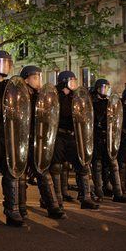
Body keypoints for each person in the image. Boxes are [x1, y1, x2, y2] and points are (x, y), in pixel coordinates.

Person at [0, 50, 27, 227]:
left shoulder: (12, 85)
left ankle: (12, 211)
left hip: (8, 136)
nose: (6, 66)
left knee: (11, 172)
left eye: (9, 63)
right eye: (3, 62)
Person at [21, 65, 66, 218]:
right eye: (35, 77)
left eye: (39, 77)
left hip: (36, 140)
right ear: (26, 80)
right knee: (20, 176)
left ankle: (52, 206)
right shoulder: (21, 96)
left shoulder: (38, 96)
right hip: (21, 141)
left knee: (43, 172)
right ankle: (19, 208)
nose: (38, 80)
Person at [50, 71, 99, 209]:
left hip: (72, 135)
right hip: (58, 135)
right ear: (64, 82)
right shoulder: (55, 97)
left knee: (82, 164)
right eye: (72, 81)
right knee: (56, 167)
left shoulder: (76, 98)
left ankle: (86, 198)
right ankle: (56, 199)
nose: (75, 84)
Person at [90, 79, 126, 202]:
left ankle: (118, 193)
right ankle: (99, 192)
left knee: (113, 165)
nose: (105, 90)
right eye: (103, 87)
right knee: (97, 166)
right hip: (97, 137)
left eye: (107, 87)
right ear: (97, 88)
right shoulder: (92, 102)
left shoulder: (111, 102)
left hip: (109, 138)